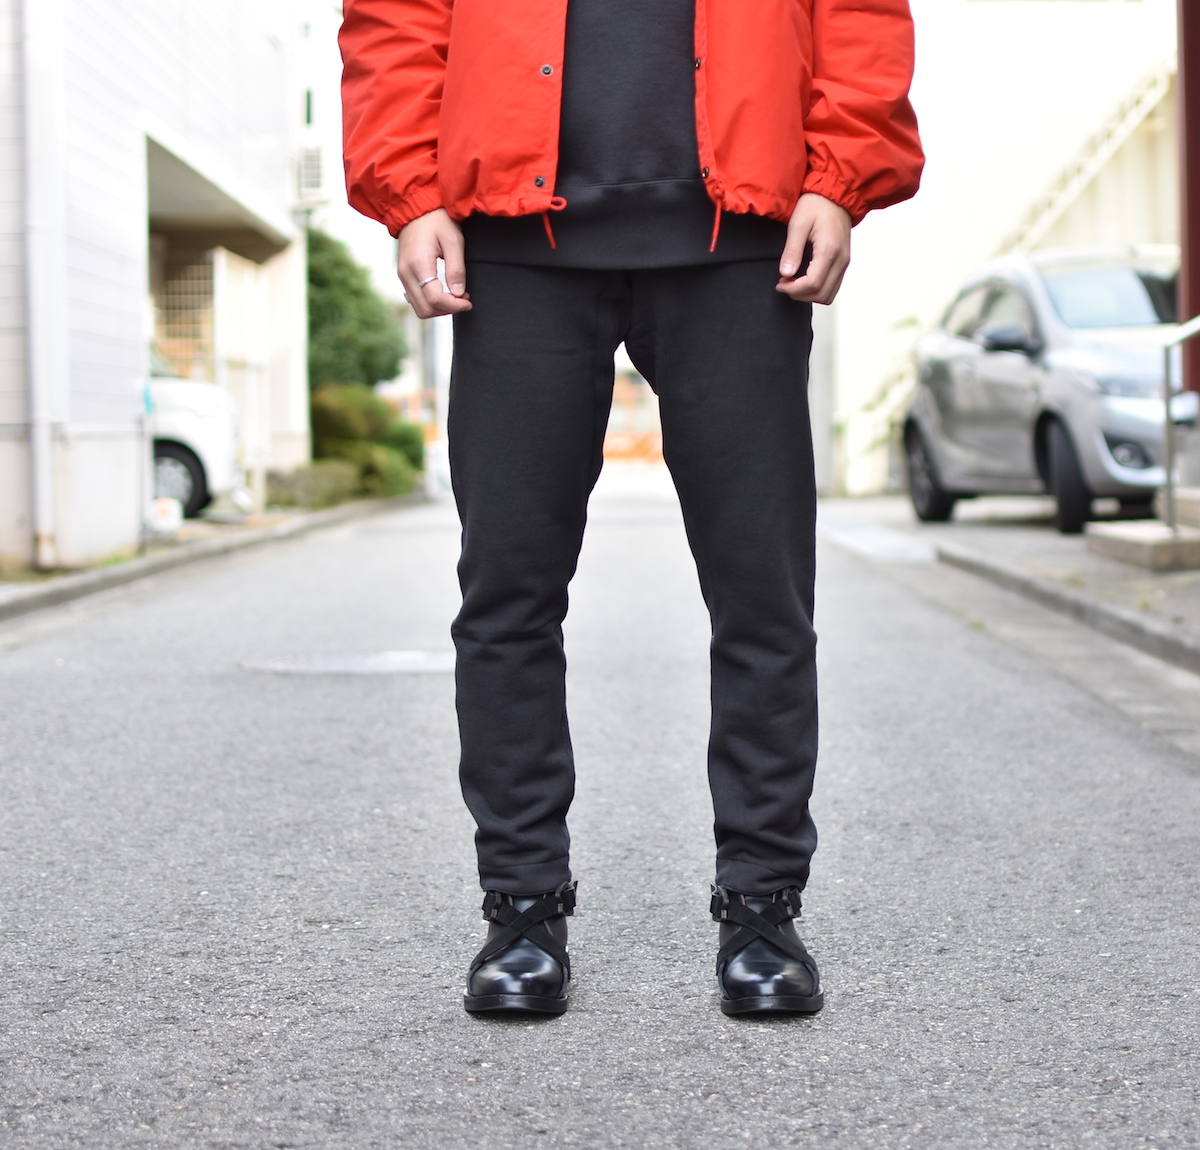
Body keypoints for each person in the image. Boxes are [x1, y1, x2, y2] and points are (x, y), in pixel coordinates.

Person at [340, 0, 923, 1016]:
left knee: (762, 592)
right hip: (513, 247)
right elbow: (396, 19)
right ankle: (521, 909)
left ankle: (762, 905)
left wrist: (839, 179)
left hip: (739, 239)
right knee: (508, 593)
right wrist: (410, 192)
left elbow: (857, 16)